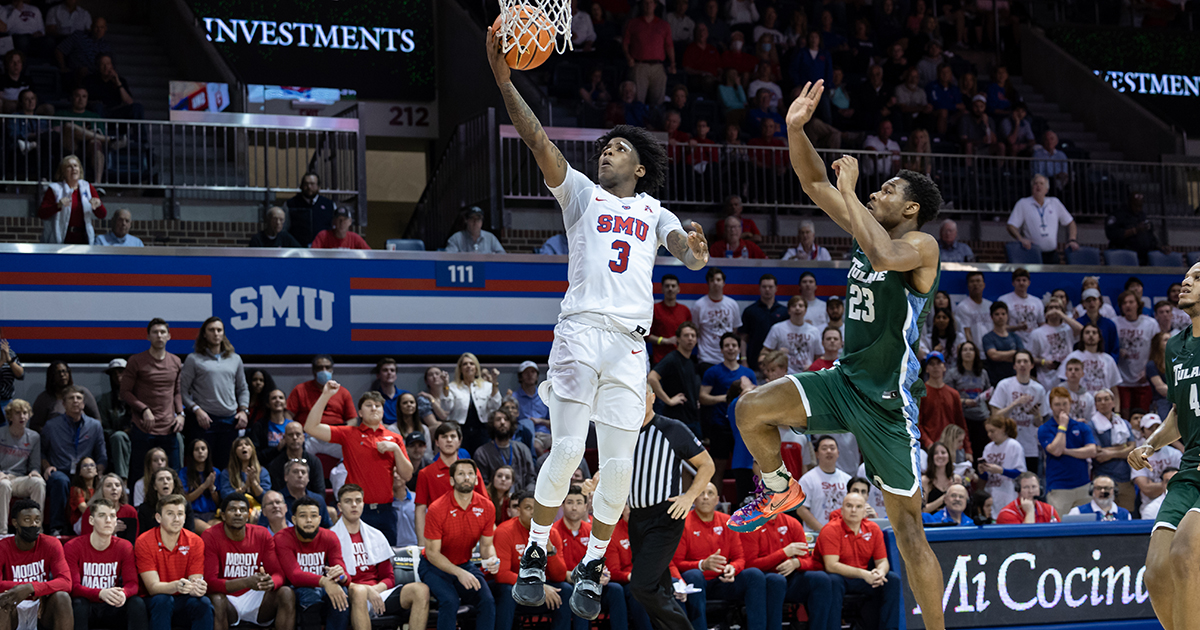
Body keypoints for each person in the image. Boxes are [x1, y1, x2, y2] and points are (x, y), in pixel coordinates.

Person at [489, 27, 711, 621]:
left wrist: (696, 252)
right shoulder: (582, 195)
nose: (605, 153)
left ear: (639, 168)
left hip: (630, 347)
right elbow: (537, 139)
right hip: (582, 329)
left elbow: (686, 253)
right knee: (565, 451)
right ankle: (535, 553)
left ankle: (591, 562)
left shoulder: (653, 209)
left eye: (617, 149)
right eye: (604, 147)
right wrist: (506, 82)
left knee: (616, 469)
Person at [731, 79, 949, 630]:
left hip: (886, 403)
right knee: (750, 410)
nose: (880, 189)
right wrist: (795, 128)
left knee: (908, 530)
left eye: (891, 187)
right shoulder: (865, 220)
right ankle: (778, 489)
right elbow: (809, 178)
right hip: (843, 379)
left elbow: (881, 250)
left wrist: (851, 193)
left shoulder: (923, 245)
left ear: (912, 207)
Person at [1128, 261, 1200, 630]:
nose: (1186, 282)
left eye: (1198, 278)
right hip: (1190, 467)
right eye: (1186, 277)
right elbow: (1178, 410)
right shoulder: (1175, 345)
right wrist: (1151, 445)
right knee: (1155, 574)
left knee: (1186, 554)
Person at [623, 384, 713, 630]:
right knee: (658, 589)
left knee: (641, 586)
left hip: (665, 516)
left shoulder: (672, 429)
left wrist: (689, 497)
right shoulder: (623, 432)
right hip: (637, 518)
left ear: (652, 397)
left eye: (642, 394)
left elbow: (707, 465)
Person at [305, 381, 413, 543]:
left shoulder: (395, 438)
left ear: (383, 411)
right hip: (358, 510)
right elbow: (311, 427)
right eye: (369, 405)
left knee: (387, 561)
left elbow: (407, 475)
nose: (374, 408)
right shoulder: (349, 434)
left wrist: (396, 450)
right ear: (360, 412)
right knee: (358, 560)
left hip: (387, 510)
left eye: (378, 405)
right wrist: (326, 395)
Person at [674, 482, 784, 630]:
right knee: (694, 575)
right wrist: (702, 565)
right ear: (694, 499)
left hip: (722, 581)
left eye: (710, 493)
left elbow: (740, 558)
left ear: (717, 499)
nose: (705, 498)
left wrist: (733, 568)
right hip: (697, 581)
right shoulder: (683, 523)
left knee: (754, 575)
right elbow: (676, 563)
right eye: (701, 493)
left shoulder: (728, 522)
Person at [332, 484, 429, 630]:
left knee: (421, 590)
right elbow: (336, 579)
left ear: (363, 504)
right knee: (359, 592)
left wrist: (375, 590)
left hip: (378, 593)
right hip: (350, 594)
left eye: (358, 500)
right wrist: (366, 590)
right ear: (339, 506)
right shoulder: (330, 537)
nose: (354, 505)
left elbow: (389, 577)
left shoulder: (376, 535)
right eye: (348, 501)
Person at [418, 459, 499, 630]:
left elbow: (486, 546)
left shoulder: (487, 507)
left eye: (470, 473)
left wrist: (492, 558)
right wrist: (459, 573)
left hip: (464, 564)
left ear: (477, 480)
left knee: (487, 601)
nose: (466, 477)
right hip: (433, 567)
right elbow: (432, 553)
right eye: (461, 474)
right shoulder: (437, 508)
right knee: (450, 601)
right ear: (452, 481)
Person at [202, 494, 295, 630]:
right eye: (232, 509)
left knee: (286, 593)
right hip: (228, 599)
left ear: (248, 515)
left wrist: (271, 582)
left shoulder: (261, 534)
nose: (238, 513)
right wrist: (245, 582)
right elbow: (210, 582)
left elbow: (278, 574)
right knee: (216, 599)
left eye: (243, 510)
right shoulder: (210, 536)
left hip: (255, 596)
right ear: (223, 515)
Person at [741, 506, 839, 630]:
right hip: (763, 582)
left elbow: (810, 561)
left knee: (821, 579)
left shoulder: (792, 523)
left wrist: (797, 563)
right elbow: (750, 565)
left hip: (791, 580)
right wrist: (783, 553)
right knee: (775, 580)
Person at [492, 489, 575, 630]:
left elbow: (559, 576)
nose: (533, 513)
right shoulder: (504, 531)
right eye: (528, 508)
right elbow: (502, 574)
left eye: (538, 509)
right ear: (518, 510)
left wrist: (550, 551)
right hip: (513, 585)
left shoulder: (552, 533)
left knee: (565, 589)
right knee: (507, 591)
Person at [816, 491, 900, 630]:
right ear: (842, 510)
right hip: (840, 577)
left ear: (864, 511)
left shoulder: (873, 529)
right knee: (833, 581)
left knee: (892, 579)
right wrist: (864, 574)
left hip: (863, 578)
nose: (854, 510)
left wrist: (880, 572)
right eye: (849, 506)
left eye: (858, 507)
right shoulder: (830, 529)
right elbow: (831, 565)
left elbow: (883, 561)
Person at [552, 486, 629, 629]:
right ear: (562, 505)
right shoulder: (554, 531)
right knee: (580, 590)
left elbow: (601, 562)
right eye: (569, 502)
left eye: (579, 503)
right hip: (566, 582)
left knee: (615, 589)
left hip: (589, 582)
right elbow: (555, 571)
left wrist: (603, 575)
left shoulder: (592, 531)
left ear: (586, 506)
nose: (574, 508)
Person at [65, 497, 147, 630]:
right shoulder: (73, 547)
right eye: (102, 516)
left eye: (112, 516)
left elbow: (132, 584)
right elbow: (73, 587)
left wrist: (124, 593)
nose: (108, 520)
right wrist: (100, 593)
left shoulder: (124, 546)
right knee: (79, 603)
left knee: (136, 602)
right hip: (87, 606)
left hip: (112, 606)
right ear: (91, 520)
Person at [135, 494, 214, 630]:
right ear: (158, 518)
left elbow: (195, 579)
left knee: (203, 602)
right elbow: (153, 588)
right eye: (170, 514)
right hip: (154, 599)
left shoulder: (195, 541)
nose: (176, 519)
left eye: (180, 514)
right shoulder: (144, 541)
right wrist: (176, 586)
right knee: (163, 600)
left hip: (182, 597)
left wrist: (198, 588)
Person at [182, 317, 249, 474]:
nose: (216, 333)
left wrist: (244, 410)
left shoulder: (235, 359)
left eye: (219, 330)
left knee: (227, 466)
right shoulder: (194, 359)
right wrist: (196, 409)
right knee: (203, 468)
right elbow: (182, 391)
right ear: (204, 334)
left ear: (223, 334)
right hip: (204, 422)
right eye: (211, 330)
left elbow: (243, 388)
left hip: (229, 420)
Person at [122, 318, 185, 483]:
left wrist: (180, 414)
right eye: (155, 332)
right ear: (148, 337)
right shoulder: (136, 361)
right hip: (144, 427)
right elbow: (125, 392)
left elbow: (177, 392)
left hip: (169, 427)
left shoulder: (176, 361)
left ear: (169, 336)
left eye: (163, 332)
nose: (159, 336)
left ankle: (173, 508)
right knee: (139, 474)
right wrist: (144, 409)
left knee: (172, 475)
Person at [272, 497, 350, 630]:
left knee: (342, 592)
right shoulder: (282, 538)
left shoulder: (330, 537)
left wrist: (341, 576)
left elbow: (343, 574)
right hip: (295, 589)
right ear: (294, 520)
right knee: (309, 594)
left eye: (313, 516)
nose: (309, 520)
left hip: (325, 587)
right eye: (303, 516)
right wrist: (325, 581)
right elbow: (294, 576)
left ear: (319, 519)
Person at [41, 386, 107, 536]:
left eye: (79, 398)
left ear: (83, 403)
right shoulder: (51, 426)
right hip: (61, 470)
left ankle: (97, 528)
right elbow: (41, 452)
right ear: (63, 404)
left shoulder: (94, 426)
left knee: (104, 482)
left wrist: (100, 471)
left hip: (86, 472)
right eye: (71, 398)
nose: (75, 401)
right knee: (60, 481)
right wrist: (46, 466)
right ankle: (56, 528)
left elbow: (101, 454)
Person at [0, 500, 72, 630]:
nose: (34, 524)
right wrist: (32, 589)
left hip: (40, 606)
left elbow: (66, 582)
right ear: (15, 523)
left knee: (62, 597)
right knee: (2, 602)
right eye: (27, 520)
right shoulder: (3, 547)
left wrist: (32, 588)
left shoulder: (51, 543)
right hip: (12, 606)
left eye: (37, 520)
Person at [413, 422, 487, 546]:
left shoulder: (472, 471)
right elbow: (420, 509)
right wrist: (422, 542)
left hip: (470, 536)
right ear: (436, 442)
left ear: (459, 441)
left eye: (453, 437)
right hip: (437, 537)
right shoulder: (426, 473)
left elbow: (485, 504)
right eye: (444, 436)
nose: (448, 440)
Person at [1037, 387, 1098, 517]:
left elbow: (1092, 451)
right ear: (1051, 406)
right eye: (1057, 404)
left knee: (1087, 526)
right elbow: (1056, 451)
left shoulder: (1081, 427)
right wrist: (1062, 426)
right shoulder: (1044, 429)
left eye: (1065, 404)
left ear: (1071, 404)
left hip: (1083, 485)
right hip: (1059, 487)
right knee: (1058, 526)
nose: (1062, 408)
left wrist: (1067, 451)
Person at [988, 350, 1048, 474]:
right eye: (1019, 361)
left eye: (1025, 361)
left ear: (1031, 365)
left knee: (1029, 481)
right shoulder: (1004, 385)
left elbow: (1039, 423)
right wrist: (1015, 404)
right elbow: (995, 416)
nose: (1022, 364)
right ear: (1014, 366)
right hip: (1006, 442)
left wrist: (1036, 414)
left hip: (1029, 444)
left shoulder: (1039, 389)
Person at [1006, 174, 1079, 264]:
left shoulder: (1054, 202)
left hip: (1052, 254)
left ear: (1046, 189)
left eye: (1041, 183)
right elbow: (1011, 225)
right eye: (1035, 184)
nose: (1038, 186)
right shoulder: (1023, 203)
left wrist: (1072, 239)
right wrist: (1020, 239)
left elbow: (1070, 222)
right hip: (1031, 253)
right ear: (1032, 188)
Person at [440, 353, 501, 455]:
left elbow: (495, 406)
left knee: (482, 457)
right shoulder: (452, 387)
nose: (468, 366)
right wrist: (445, 385)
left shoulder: (487, 386)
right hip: (460, 430)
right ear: (460, 369)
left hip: (482, 430)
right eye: (465, 364)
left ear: (476, 368)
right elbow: (446, 407)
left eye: (471, 364)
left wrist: (495, 383)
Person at [38, 154, 107, 245]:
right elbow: (42, 213)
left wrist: (98, 205)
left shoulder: (88, 187)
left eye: (76, 166)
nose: (73, 169)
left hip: (83, 239)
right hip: (62, 239)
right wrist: (57, 206)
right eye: (69, 166)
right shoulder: (55, 189)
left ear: (80, 169)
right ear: (63, 171)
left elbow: (102, 215)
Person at [649, 322, 702, 438]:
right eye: (686, 335)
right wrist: (668, 400)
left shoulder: (691, 362)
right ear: (678, 338)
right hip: (677, 418)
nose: (690, 339)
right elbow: (652, 378)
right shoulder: (672, 358)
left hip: (693, 418)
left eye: (693, 336)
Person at [1088, 388, 1137, 513]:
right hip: (1103, 478)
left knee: (1127, 514)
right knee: (1105, 513)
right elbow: (1098, 454)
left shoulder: (1124, 423)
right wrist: (1122, 449)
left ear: (1113, 402)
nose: (1103, 402)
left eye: (1106, 399)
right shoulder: (1091, 425)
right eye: (1099, 400)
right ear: (1096, 405)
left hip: (1125, 477)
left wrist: (1109, 452)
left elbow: (1133, 449)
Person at [0, 399, 44, 535]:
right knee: (4, 485)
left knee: (39, 482)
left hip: (20, 479)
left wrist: (35, 471)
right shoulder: (1, 433)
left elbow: (35, 465)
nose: (22, 416)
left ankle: (37, 529)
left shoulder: (34, 437)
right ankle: (2, 531)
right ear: (10, 416)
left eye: (25, 413)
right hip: (3, 476)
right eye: (18, 413)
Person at [1114, 290, 1160, 413]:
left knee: (1142, 415)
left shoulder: (1150, 324)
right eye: (1124, 303)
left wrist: (1148, 371)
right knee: (1124, 414)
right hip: (1121, 378)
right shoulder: (1115, 323)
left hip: (1143, 378)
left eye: (1131, 302)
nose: (1128, 305)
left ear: (1138, 304)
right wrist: (1118, 351)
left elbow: (1157, 350)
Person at [623, 0, 675, 106]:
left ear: (655, 5)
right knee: (637, 101)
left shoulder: (664, 25)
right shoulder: (633, 23)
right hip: (639, 65)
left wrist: (673, 63)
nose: (648, 5)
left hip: (658, 67)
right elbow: (625, 43)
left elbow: (669, 45)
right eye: (645, 3)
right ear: (642, 5)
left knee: (658, 103)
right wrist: (628, 57)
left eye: (650, 3)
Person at [287, 356, 356, 434]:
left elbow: (352, 419)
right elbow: (288, 414)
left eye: (327, 367)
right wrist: (296, 432)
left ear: (332, 370)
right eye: (320, 368)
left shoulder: (343, 392)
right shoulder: (300, 390)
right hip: (307, 434)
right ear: (314, 371)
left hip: (335, 434)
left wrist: (343, 433)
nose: (324, 371)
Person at [794, 436, 851, 532]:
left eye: (832, 448)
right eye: (824, 448)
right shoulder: (807, 480)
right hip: (816, 534)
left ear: (838, 453)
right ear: (817, 454)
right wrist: (823, 530)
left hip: (843, 534)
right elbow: (801, 509)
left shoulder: (847, 479)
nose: (829, 451)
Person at [918, 352, 969, 454]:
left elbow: (960, 422)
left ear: (944, 367)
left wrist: (967, 449)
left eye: (938, 363)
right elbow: (918, 423)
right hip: (930, 447)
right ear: (927, 369)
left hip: (952, 447)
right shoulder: (921, 393)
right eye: (931, 364)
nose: (935, 367)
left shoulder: (953, 394)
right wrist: (928, 442)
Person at [692, 268, 741, 373]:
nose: (715, 283)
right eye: (712, 280)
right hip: (707, 358)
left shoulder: (732, 304)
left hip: (729, 358)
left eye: (718, 280)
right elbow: (696, 331)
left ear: (723, 283)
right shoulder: (699, 305)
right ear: (708, 283)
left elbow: (734, 330)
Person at [474, 410, 535, 491]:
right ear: (492, 424)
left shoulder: (523, 449)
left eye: (506, 419)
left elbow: (531, 479)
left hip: (519, 499)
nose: (502, 422)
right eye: (498, 419)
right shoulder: (482, 453)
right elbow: (482, 484)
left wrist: (525, 498)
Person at [976, 416, 1025, 513]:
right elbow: (986, 477)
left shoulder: (1014, 446)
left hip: (1009, 494)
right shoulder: (988, 448)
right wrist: (982, 471)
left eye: (992, 431)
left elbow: (1021, 473)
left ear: (1002, 429)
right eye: (988, 432)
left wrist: (1001, 471)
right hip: (992, 493)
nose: (990, 435)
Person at [265, 421, 325, 499]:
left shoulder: (314, 462)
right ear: (284, 438)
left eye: (298, 434)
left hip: (310, 504)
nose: (294, 438)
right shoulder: (276, 464)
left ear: (303, 437)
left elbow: (320, 492)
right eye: (290, 435)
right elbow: (277, 492)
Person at [1058, 323, 1121, 395]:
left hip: (1103, 402)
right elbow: (1064, 383)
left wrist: (1116, 406)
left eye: (1094, 333)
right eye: (1087, 332)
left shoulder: (1109, 360)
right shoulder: (1072, 357)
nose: (1091, 335)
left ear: (1099, 337)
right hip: (1081, 402)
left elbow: (1114, 389)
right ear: (1082, 337)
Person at [1028, 299, 1077, 390]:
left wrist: (1062, 315)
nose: (1054, 310)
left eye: (1057, 308)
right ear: (1046, 312)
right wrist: (1043, 362)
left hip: (1069, 374)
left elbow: (1083, 331)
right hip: (1047, 378)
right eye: (1051, 308)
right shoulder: (1037, 333)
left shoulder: (1068, 329)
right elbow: (1030, 357)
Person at [649, 275, 693, 367]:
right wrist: (665, 340)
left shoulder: (685, 311)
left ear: (678, 289)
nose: (670, 289)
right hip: (660, 360)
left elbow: (692, 335)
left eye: (673, 286)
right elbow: (646, 336)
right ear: (662, 289)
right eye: (667, 286)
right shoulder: (654, 309)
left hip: (682, 360)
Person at [138, 468, 198, 535]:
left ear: (174, 484)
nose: (165, 482)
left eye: (168, 479)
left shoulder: (185, 506)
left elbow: (190, 533)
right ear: (155, 486)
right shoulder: (144, 509)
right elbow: (143, 536)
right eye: (161, 479)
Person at [82, 54, 142, 120]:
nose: (106, 67)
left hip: (116, 112)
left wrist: (118, 83)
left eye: (108, 64)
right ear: (98, 66)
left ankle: (140, 130)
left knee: (137, 107)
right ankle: (99, 129)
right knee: (98, 107)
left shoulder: (120, 80)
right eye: (102, 64)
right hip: (98, 111)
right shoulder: (90, 80)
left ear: (112, 66)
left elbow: (129, 102)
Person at [284, 172, 336, 246]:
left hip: (323, 248)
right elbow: (284, 228)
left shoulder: (329, 204)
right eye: (306, 184)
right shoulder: (291, 204)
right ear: (301, 186)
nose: (309, 187)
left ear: (318, 187)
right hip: (297, 249)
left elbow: (335, 228)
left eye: (312, 184)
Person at [996, 268, 1043, 348]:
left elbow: (1042, 325)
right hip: (1012, 343)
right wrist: (1017, 327)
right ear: (1013, 283)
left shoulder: (1037, 301)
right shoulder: (1004, 300)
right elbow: (999, 327)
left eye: (1024, 280)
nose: (1021, 283)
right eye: (1018, 280)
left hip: (1033, 344)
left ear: (1029, 283)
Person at [279, 459, 332, 529]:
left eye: (303, 472)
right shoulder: (277, 500)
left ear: (308, 478)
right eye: (295, 472)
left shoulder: (318, 499)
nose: (300, 475)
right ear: (286, 477)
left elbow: (327, 527)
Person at [1076, 288, 1121, 364]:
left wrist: (1109, 364)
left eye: (1094, 299)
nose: (1091, 303)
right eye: (1088, 300)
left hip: (1105, 365)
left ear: (1099, 302)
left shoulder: (1109, 324)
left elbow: (1115, 349)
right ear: (1083, 304)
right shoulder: (1078, 323)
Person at [982, 302, 1023, 383]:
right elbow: (994, 355)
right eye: (997, 314)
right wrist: (1013, 352)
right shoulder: (988, 337)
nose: (1000, 317)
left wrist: (1001, 356)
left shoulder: (1015, 337)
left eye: (1003, 314)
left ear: (1007, 316)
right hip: (994, 379)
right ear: (991, 317)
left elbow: (1021, 356)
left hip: (1014, 378)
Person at [995, 472, 1060, 524]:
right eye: (1026, 487)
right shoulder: (1007, 514)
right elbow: (1025, 538)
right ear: (1018, 491)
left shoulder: (1049, 510)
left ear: (1040, 489)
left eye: (1034, 487)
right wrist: (1030, 512)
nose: (1030, 491)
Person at [1066, 475, 1130, 521]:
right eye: (1098, 488)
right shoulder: (1077, 512)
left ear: (1114, 491)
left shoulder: (1125, 514)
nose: (1103, 491)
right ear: (1092, 491)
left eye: (1107, 488)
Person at [955, 272, 992, 345]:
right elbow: (966, 332)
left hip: (992, 349)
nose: (975, 284)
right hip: (975, 350)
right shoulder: (962, 307)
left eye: (978, 281)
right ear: (968, 286)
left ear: (984, 285)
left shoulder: (990, 305)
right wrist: (973, 350)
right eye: (972, 281)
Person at [0, 335, 23, 412]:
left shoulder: (9, 352)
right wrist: (2, 362)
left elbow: (21, 375)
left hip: (6, 403)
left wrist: (10, 361)